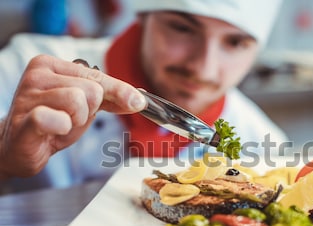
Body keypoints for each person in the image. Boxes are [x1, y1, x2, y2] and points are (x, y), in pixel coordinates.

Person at [0, 0, 288, 193]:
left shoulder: (266, 147)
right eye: (182, 28)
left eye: (236, 42)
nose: (203, 68)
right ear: (144, 18)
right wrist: (4, 157)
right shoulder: (23, 70)